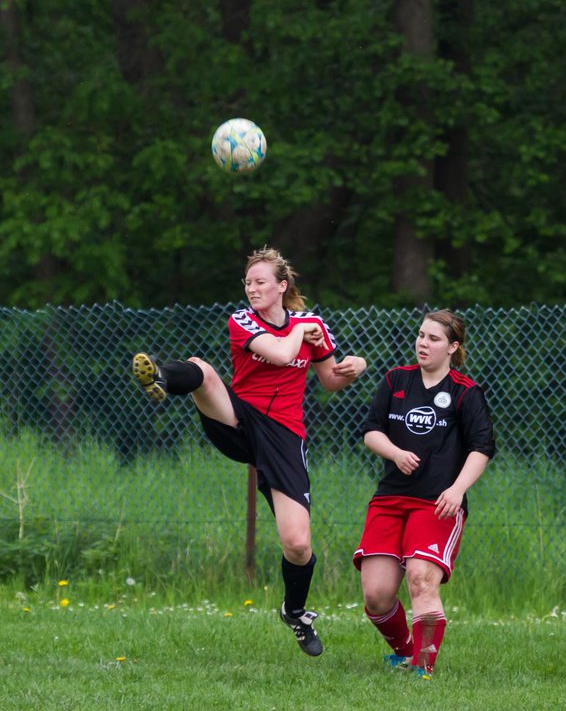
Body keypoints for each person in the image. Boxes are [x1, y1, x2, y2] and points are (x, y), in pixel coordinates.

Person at [131, 247, 367, 657]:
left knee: (297, 543)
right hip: (240, 420)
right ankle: (162, 378)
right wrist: (300, 333)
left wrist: (356, 366)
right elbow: (281, 353)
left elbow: (329, 379)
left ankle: (295, 613)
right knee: (202, 369)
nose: (252, 288)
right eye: (248, 282)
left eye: (261, 281)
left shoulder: (312, 325)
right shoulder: (243, 320)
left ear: (282, 286)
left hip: (284, 436)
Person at [353, 310, 496, 679]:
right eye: (420, 335)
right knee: (376, 595)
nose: (423, 343)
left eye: (433, 338)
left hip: (437, 504)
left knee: (420, 578)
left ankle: (422, 669)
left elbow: (481, 449)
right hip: (390, 499)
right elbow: (371, 431)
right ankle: (405, 652)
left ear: (453, 347)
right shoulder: (395, 380)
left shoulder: (466, 393)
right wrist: (395, 453)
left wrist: (457, 489)